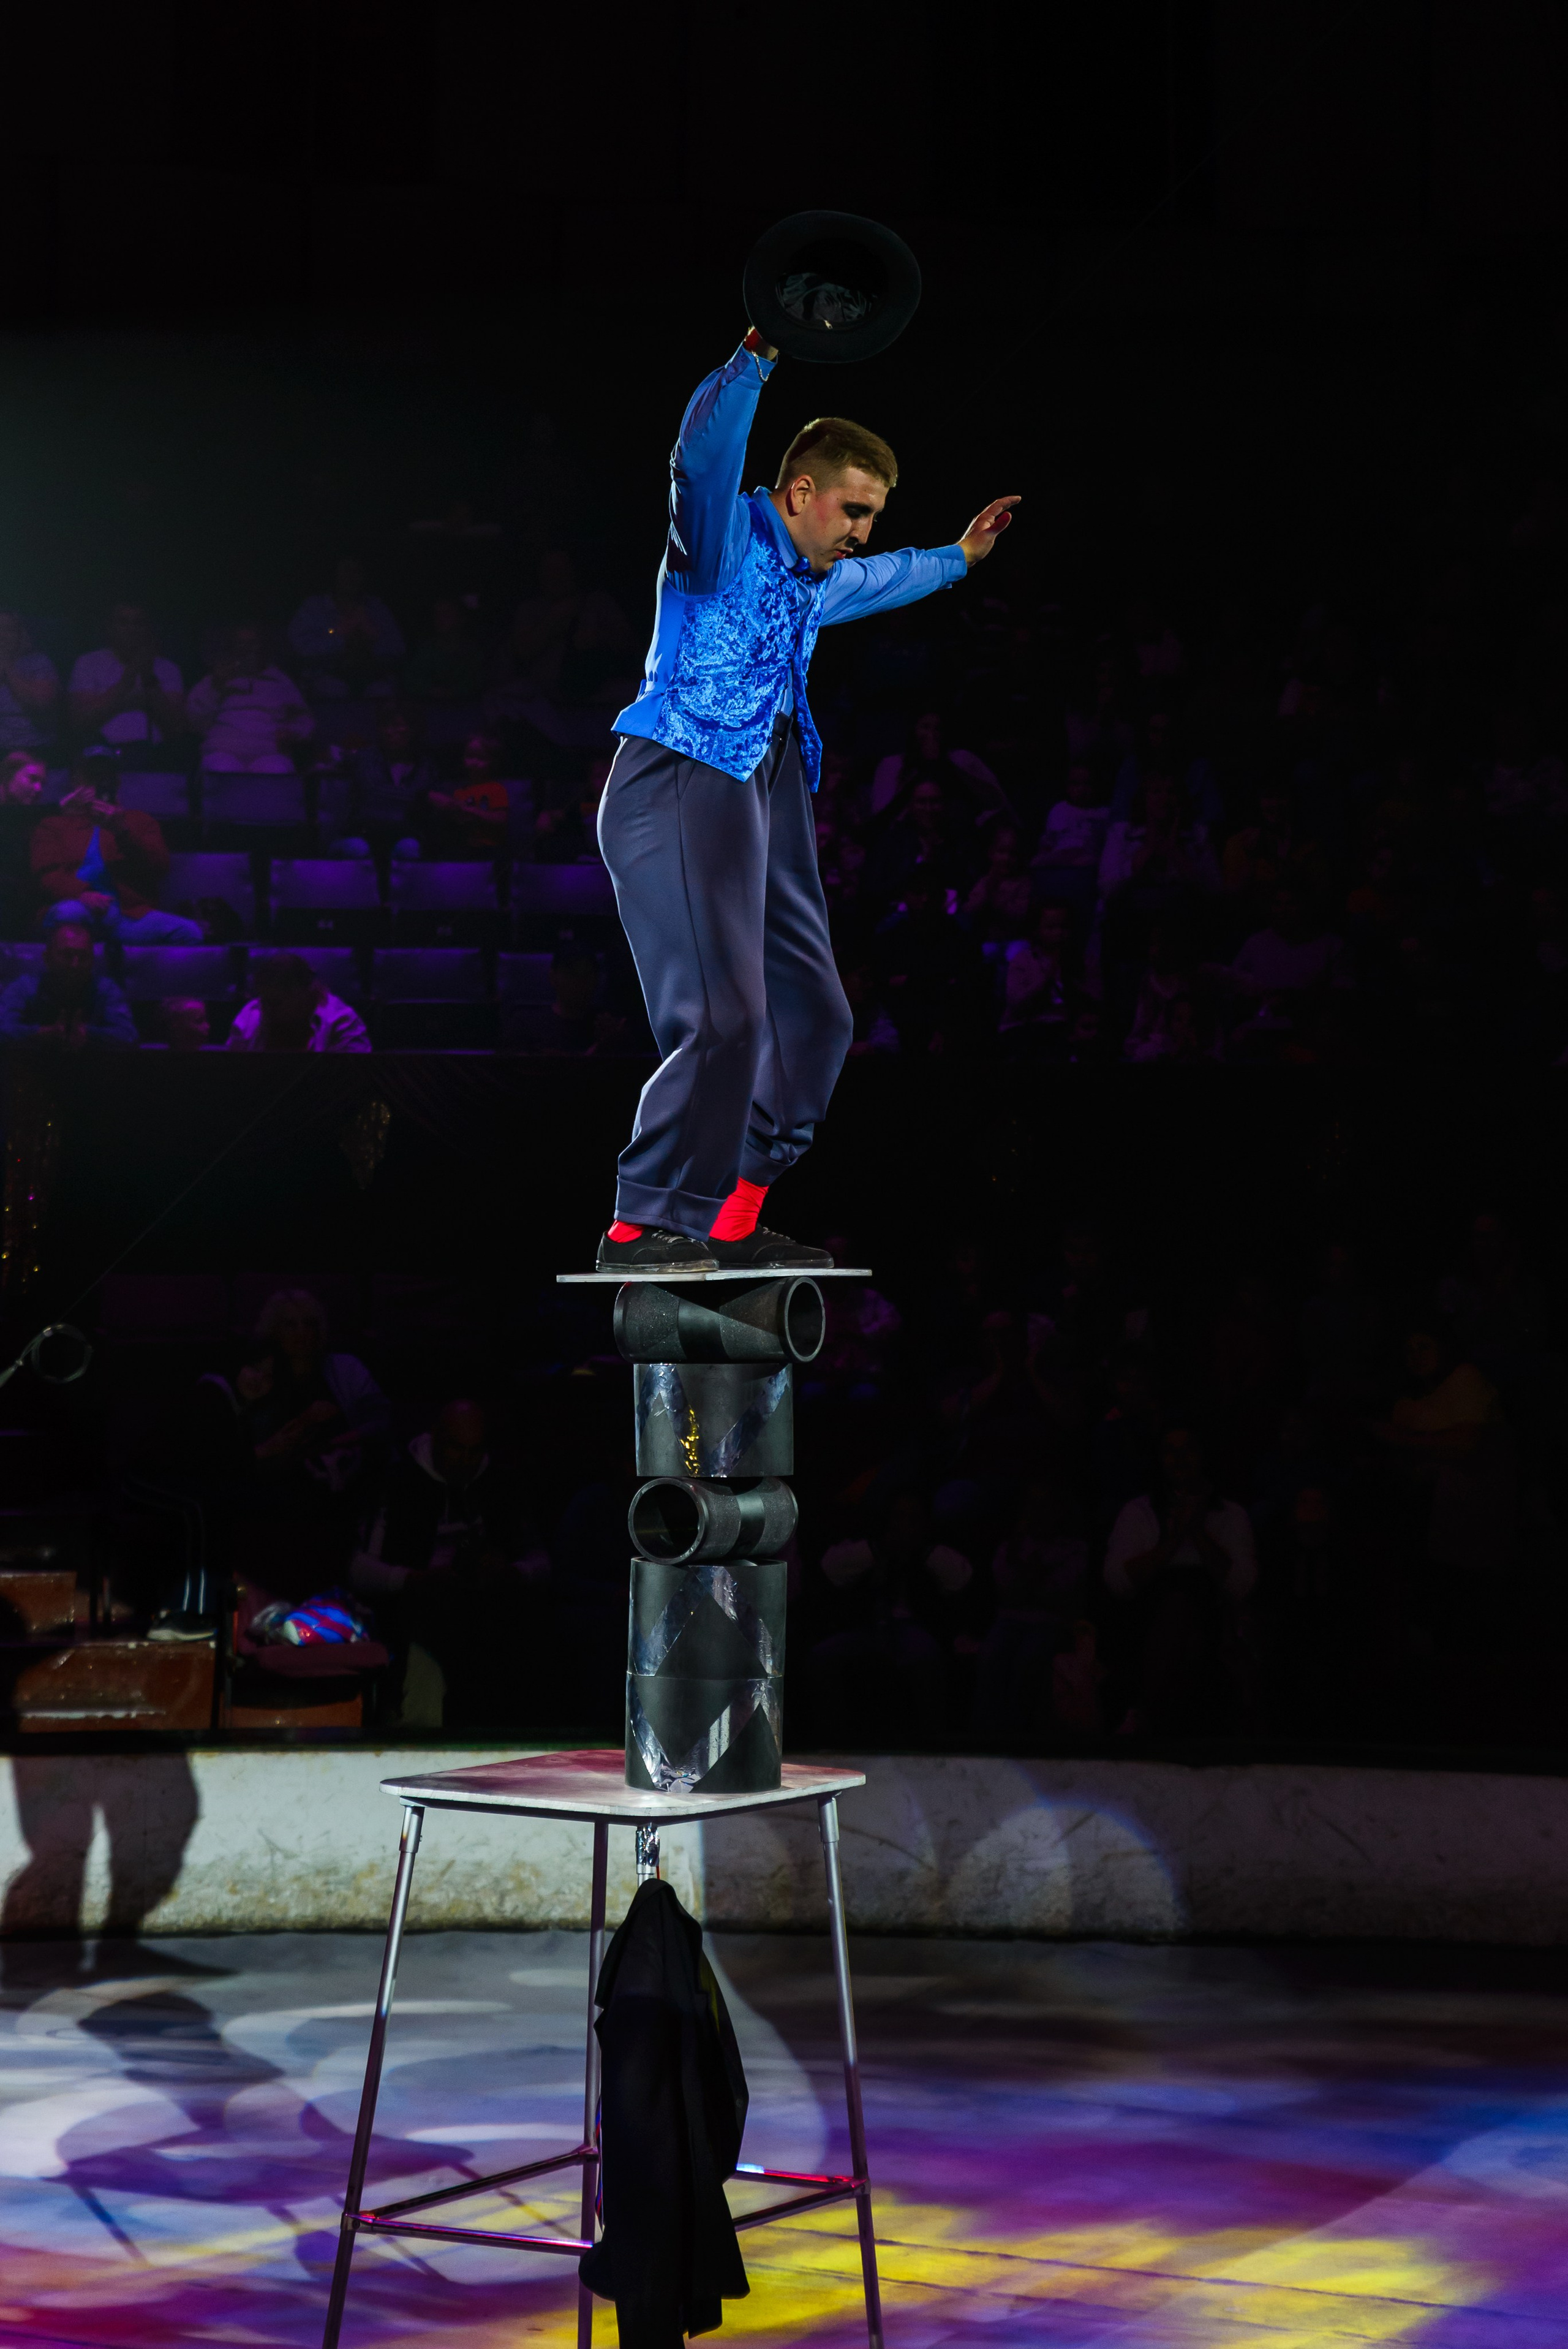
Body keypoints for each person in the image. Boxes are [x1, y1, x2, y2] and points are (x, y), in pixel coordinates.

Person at [595, 328, 1019, 1271]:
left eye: (873, 514)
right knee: (727, 1018)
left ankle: (732, 1214)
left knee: (816, 1015)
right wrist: (757, 355)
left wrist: (958, 556)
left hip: (769, 780)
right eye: (854, 509)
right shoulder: (715, 546)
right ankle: (643, 1222)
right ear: (800, 495)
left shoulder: (812, 580)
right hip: (680, 772)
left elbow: (881, 576)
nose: (862, 530)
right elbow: (699, 459)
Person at [350, 1399, 548, 1728]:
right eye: (457, 1449)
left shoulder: (499, 1486)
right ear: (436, 1438)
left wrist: (510, 1572)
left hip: (489, 1607)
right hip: (411, 1610)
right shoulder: (397, 1484)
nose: (466, 1461)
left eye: (475, 1451)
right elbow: (356, 1569)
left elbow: (540, 1561)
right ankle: (419, 1745)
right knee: (426, 1635)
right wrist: (414, 1579)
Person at [29, 750, 203, 942]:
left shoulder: (140, 821)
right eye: (91, 776)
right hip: (75, 906)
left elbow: (160, 867)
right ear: (76, 782)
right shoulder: (54, 825)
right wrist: (82, 894)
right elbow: (47, 874)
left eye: (106, 776)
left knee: (189, 932)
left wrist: (122, 832)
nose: (98, 782)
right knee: (70, 913)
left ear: (117, 782)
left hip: (127, 916)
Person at [186, 626, 315, 770]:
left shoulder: (281, 681)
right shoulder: (216, 679)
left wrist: (293, 732)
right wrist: (216, 686)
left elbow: (305, 719)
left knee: (277, 769)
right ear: (232, 647)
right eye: (241, 643)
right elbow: (194, 718)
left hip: (270, 752)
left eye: (253, 643)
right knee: (220, 769)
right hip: (222, 750)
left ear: (263, 647)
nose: (247, 649)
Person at [0, 919, 138, 1048]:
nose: (75, 964)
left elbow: (129, 1035)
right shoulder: (25, 987)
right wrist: (44, 1033)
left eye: (83, 957)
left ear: (93, 960)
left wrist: (87, 1033)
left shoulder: (106, 989)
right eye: (67, 955)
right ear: (47, 958)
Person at [67, 603, 184, 751]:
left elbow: (176, 727)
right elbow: (80, 721)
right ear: (110, 628)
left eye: (138, 623)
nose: (132, 629)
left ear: (148, 628)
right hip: (103, 756)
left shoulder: (168, 668)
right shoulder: (88, 663)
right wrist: (126, 681)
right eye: (124, 623)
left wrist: (149, 679)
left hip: (156, 756)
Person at [332, 702, 439, 861]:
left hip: (405, 834)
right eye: (385, 726)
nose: (389, 732)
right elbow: (375, 792)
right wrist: (424, 797)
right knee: (357, 848)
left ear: (414, 729)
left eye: (397, 726)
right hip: (362, 832)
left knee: (410, 849)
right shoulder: (366, 758)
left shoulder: (425, 766)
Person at [287, 557, 405, 697]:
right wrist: (339, 637)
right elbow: (299, 648)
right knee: (332, 689)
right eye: (346, 570)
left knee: (382, 691)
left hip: (372, 677)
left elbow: (399, 649)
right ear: (335, 574)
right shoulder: (314, 607)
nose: (351, 577)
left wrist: (373, 637)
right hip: (325, 677)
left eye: (357, 572)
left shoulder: (376, 608)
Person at [225, 951, 371, 1051]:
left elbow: (357, 1080)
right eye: (264, 1000)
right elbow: (233, 1071)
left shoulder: (342, 1022)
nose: (266, 1009)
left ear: (304, 996)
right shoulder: (251, 1014)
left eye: (275, 1003)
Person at [0, 752, 47, 937]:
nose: (39, 789)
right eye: (32, 779)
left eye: (43, 783)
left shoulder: (30, 824)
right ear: (7, 776)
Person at [0, 610, 59, 753]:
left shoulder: (39, 663)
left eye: (9, 630)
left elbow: (42, 703)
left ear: (20, 633)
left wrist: (7, 667)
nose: (2, 636)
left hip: (37, 750)